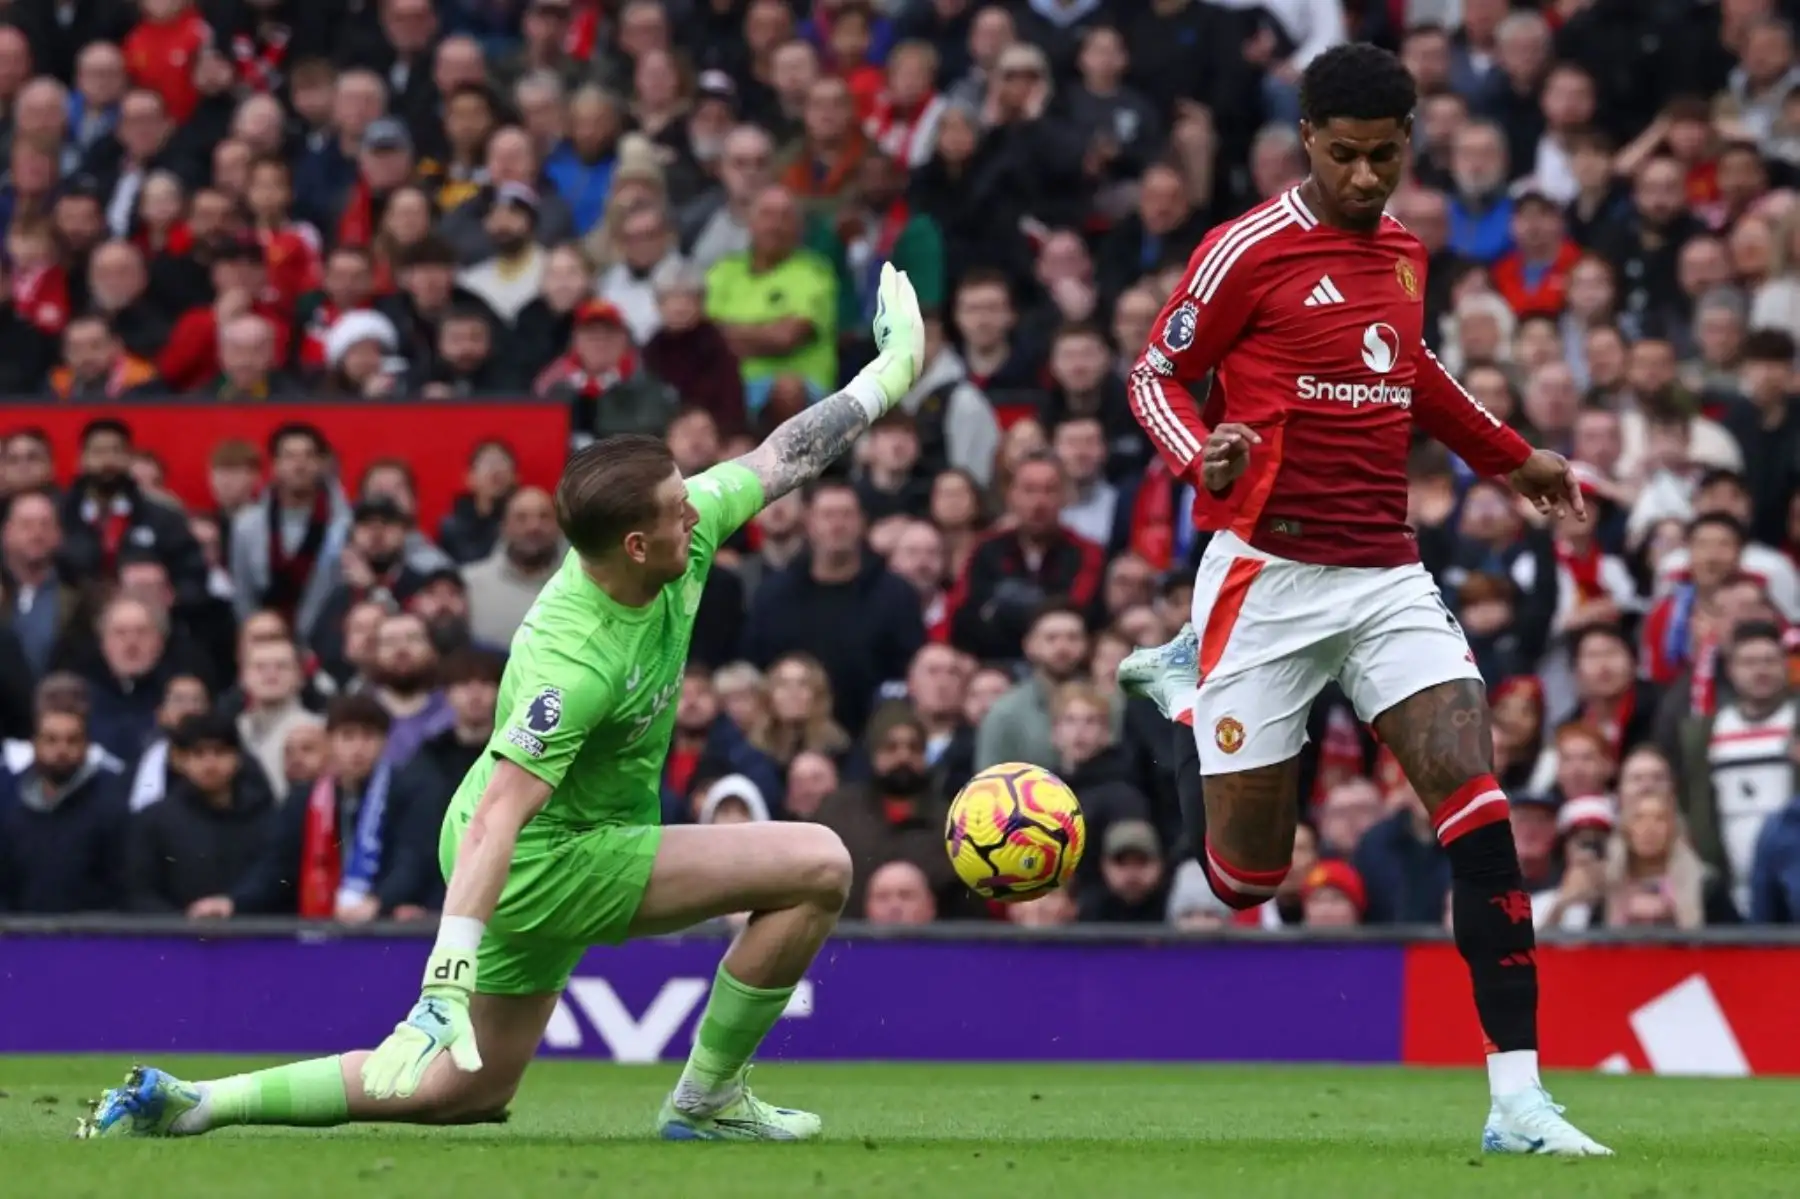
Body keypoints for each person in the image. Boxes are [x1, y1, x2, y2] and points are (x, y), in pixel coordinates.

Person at [80, 262, 926, 1142]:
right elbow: (497, 818)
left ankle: (200, 1102)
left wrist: (886, 376)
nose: (701, 508)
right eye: (680, 508)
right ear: (637, 544)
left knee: (463, 1091)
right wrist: (449, 967)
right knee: (819, 862)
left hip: (550, 841)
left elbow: (778, 455)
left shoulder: (683, 529)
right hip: (539, 851)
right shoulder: (575, 659)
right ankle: (709, 1102)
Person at [1114, 45, 1608, 1156]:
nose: (1367, 177)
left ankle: (1520, 1100)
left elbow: (1410, 366)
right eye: (1345, 156)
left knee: (1477, 804)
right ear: (1308, 142)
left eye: (1386, 156)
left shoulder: (1400, 251)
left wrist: (1512, 455)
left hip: (1385, 571)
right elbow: (1152, 375)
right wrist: (1207, 457)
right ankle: (1191, 701)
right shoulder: (1244, 249)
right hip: (1267, 577)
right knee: (1246, 880)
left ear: (1409, 144)